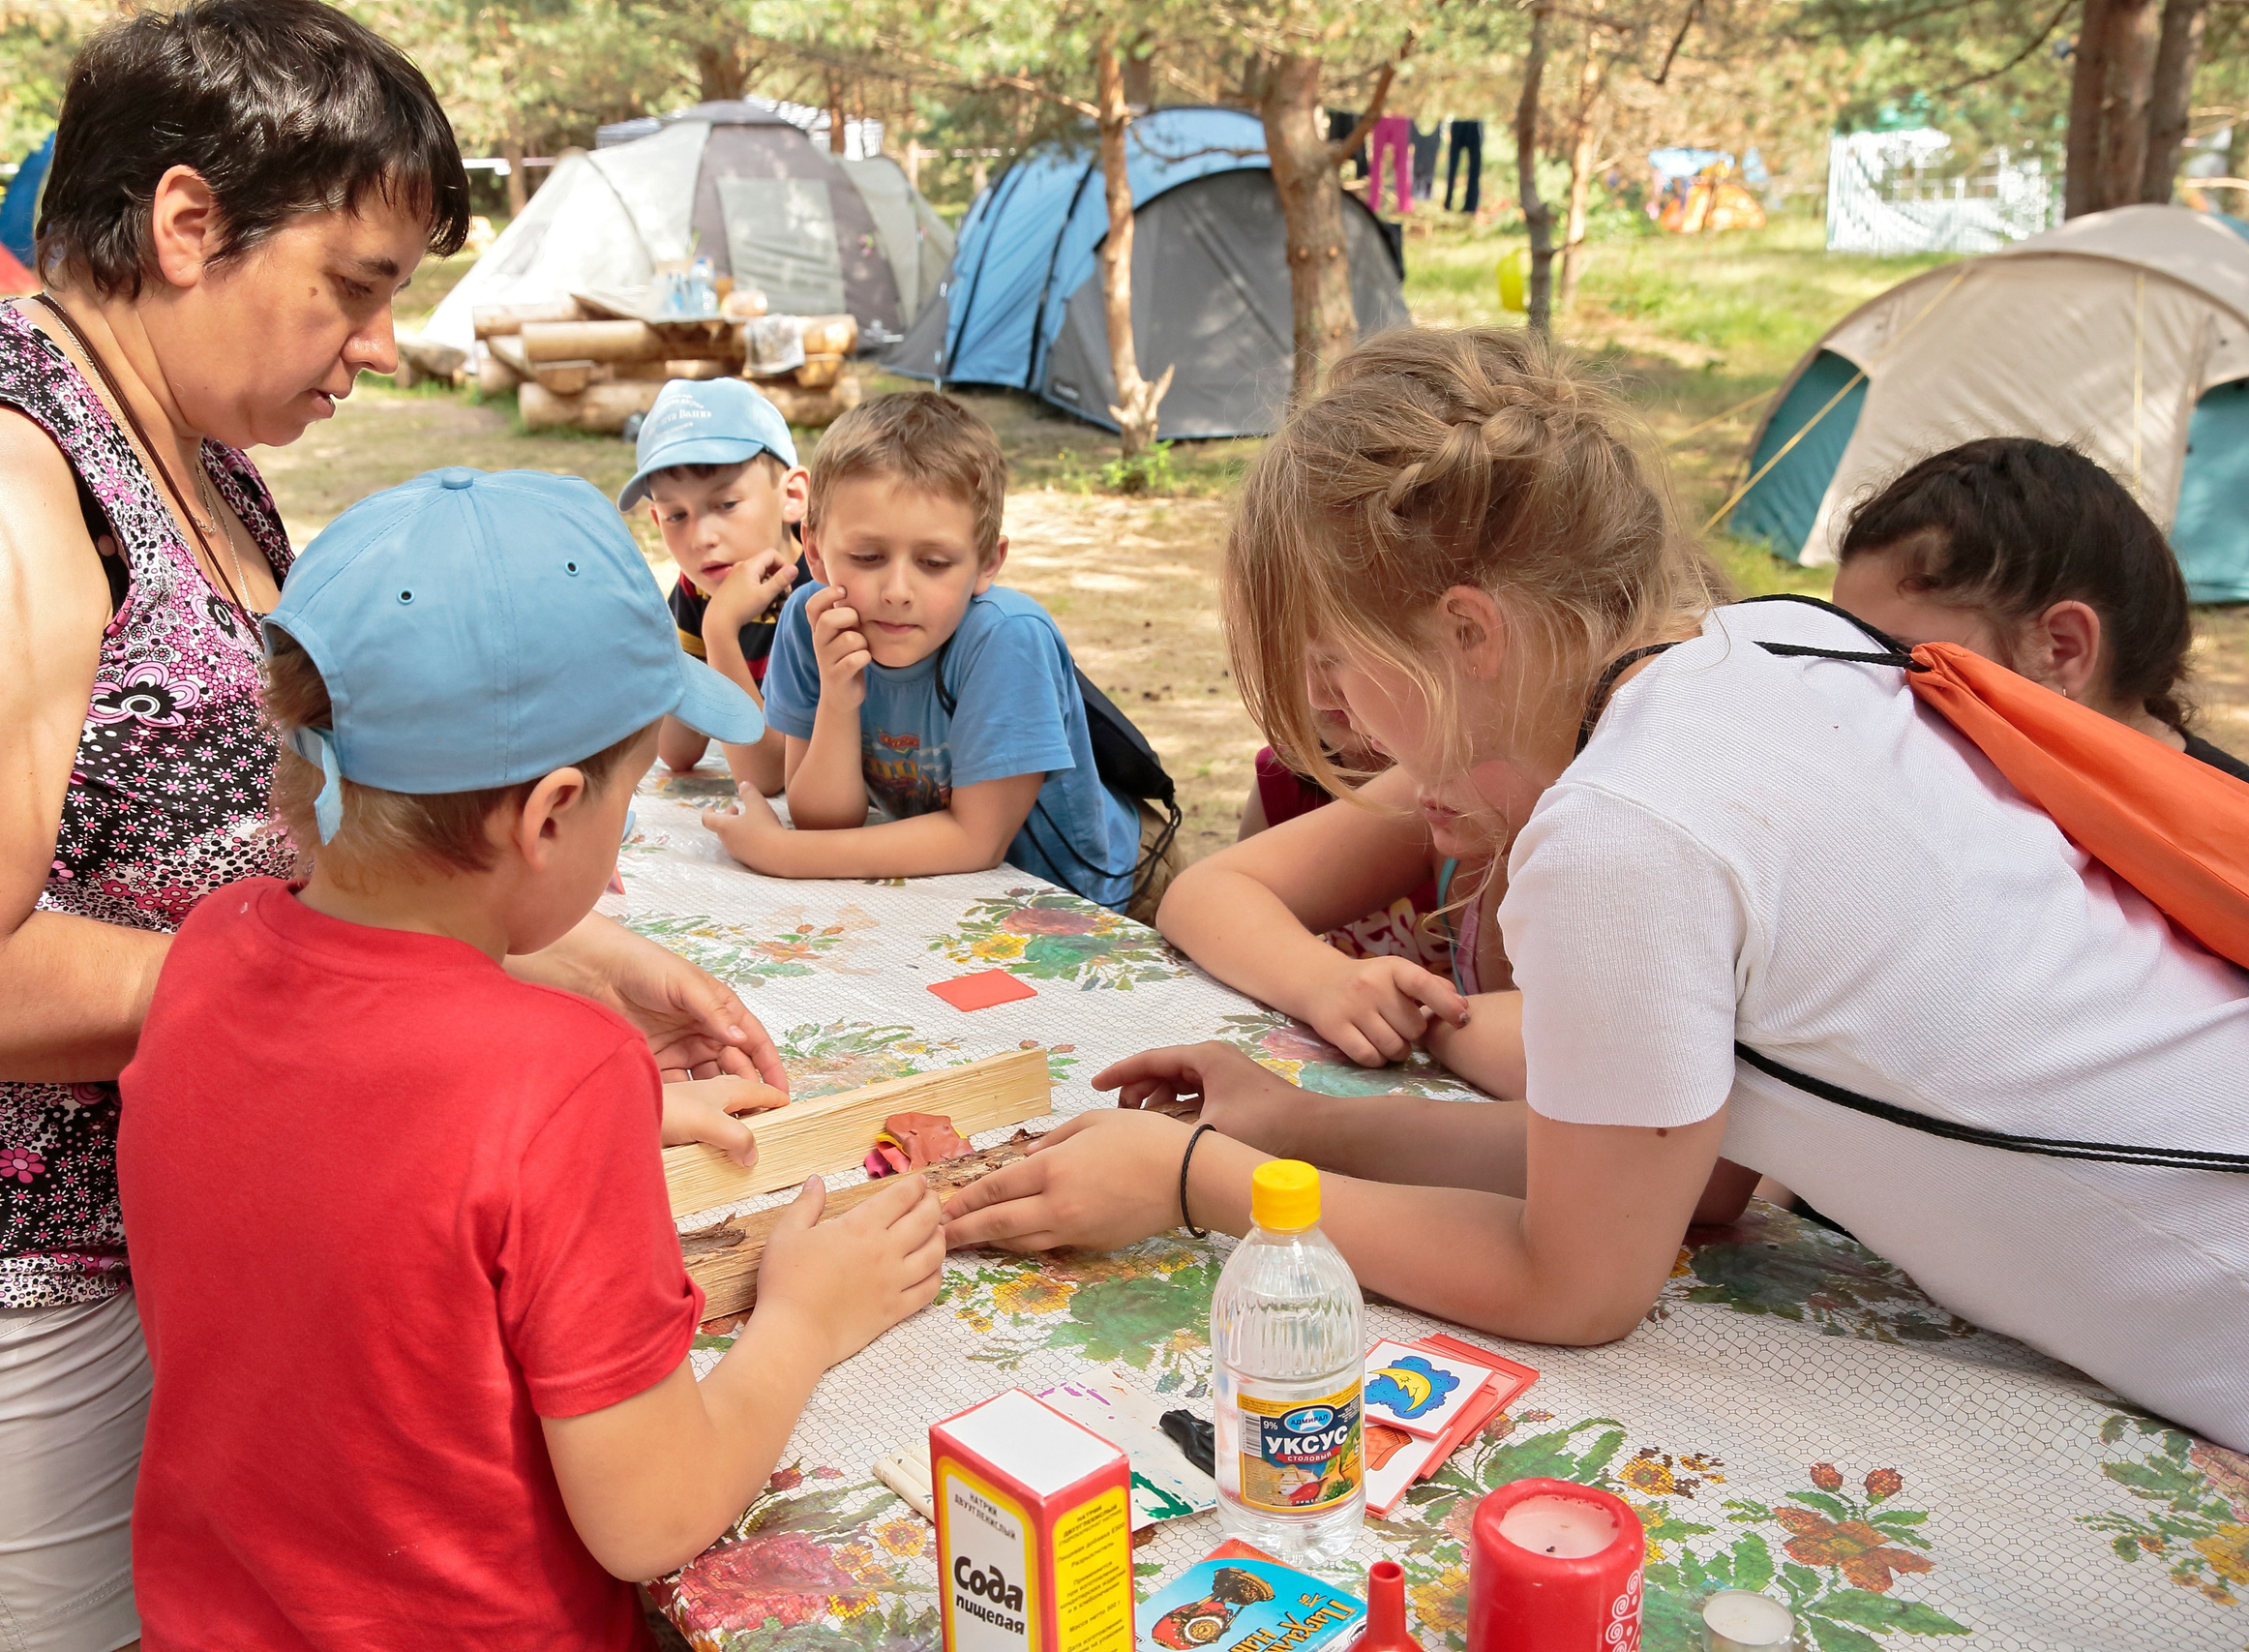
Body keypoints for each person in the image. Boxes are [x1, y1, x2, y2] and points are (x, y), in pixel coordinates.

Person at [0, 6, 781, 1644]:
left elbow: (298, 824)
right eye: (358, 283)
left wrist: (546, 941)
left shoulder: (179, 431)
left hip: (161, 1239)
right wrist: (430, 1032)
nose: (381, 342)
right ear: (187, 225)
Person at [941, 326, 2249, 1453]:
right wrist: (1297, 1126)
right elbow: (1687, 1169)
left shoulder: (1619, 824)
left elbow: (1575, 1278)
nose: (1335, 710)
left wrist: (1197, 1182)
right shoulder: (1779, 643)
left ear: (1468, 631)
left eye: (1339, 657)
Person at [118, 468, 944, 1648]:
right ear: (552, 815)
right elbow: (652, 1518)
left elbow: (358, 1143)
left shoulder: (208, 949)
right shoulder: (557, 1079)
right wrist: (805, 1319)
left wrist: (585, 1130)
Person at [704, 391, 1154, 914]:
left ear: (988, 561)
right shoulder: (815, 621)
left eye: (935, 562)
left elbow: (975, 841)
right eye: (868, 556)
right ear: (815, 549)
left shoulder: (1006, 640)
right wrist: (838, 698)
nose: (897, 590)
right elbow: (825, 820)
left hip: (1101, 895)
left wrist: (783, 853)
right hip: (954, 897)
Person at [1831, 436, 2249, 784]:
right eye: (1846, 654)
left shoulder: (2229, 855)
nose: (1853, 694)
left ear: (2061, 649)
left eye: (1905, 661)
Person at [1165, 761, 1514, 1085]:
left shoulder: (1460, 772)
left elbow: (1553, 1055)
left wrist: (1426, 1023)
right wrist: (1325, 978)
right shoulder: (1442, 776)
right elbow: (1200, 891)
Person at [618, 377, 810, 795]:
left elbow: (766, 776)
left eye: (726, 504)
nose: (702, 537)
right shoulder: (694, 591)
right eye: (676, 515)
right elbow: (677, 750)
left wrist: (720, 631)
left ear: (792, 496)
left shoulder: (819, 592)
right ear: (656, 521)